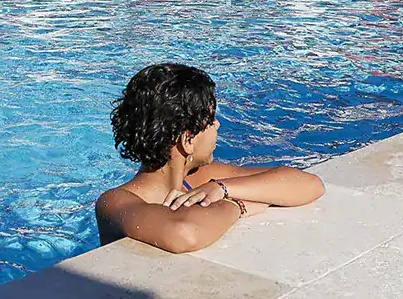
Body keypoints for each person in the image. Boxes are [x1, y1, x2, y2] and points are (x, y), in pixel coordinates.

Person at [95, 62, 323, 253]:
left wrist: (222, 188)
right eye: (211, 120)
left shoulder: (203, 178)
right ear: (188, 140)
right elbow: (184, 234)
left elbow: (309, 184)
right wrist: (236, 204)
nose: (218, 125)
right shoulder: (115, 201)